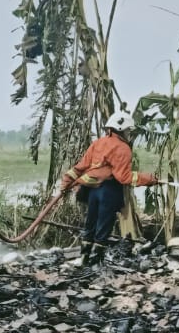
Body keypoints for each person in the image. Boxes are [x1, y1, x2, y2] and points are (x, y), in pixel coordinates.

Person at [59, 111, 159, 266]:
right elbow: (124, 177)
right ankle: (96, 262)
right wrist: (149, 179)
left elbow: (80, 167)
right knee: (104, 226)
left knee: (90, 223)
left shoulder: (98, 143)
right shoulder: (123, 148)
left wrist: (66, 182)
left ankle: (84, 258)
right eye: (128, 130)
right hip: (109, 191)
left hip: (92, 191)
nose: (129, 133)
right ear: (121, 129)